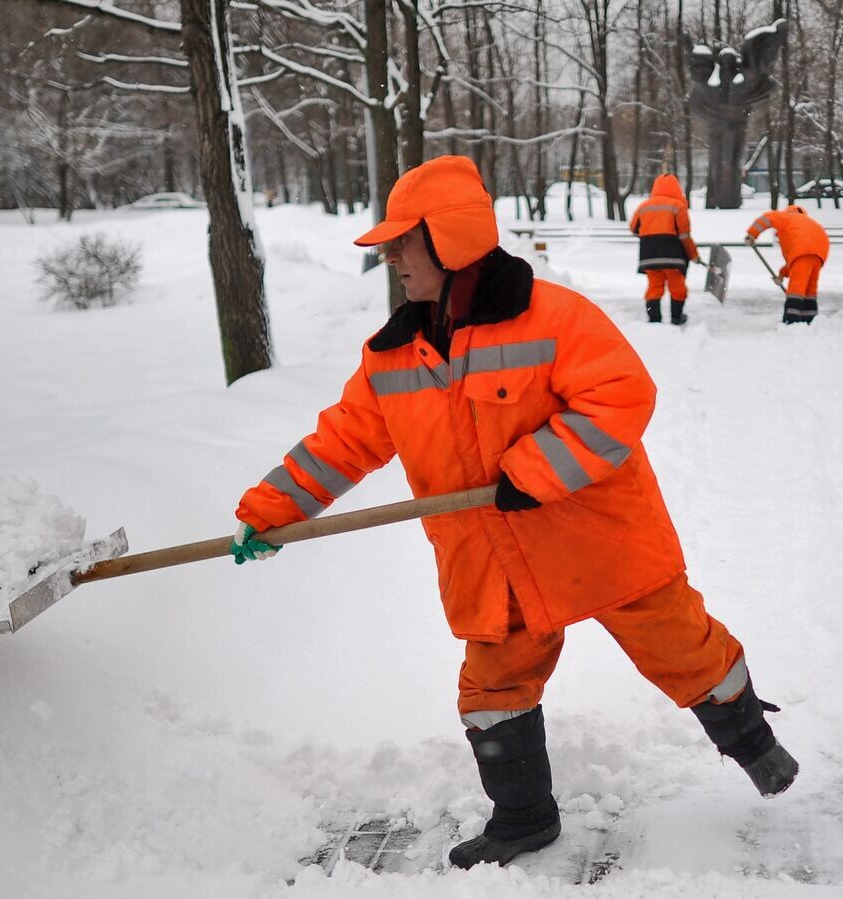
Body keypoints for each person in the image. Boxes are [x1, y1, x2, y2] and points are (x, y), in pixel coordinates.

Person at [230, 156, 798, 870]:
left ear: (451, 238)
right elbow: (341, 441)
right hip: (494, 564)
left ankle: (755, 747)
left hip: (599, 540)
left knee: (683, 647)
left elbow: (622, 395)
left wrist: (535, 469)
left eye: (406, 239)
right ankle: (523, 816)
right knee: (492, 688)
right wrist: (270, 510)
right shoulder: (392, 357)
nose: (391, 255)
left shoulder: (553, 319)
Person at [629, 174, 700, 325]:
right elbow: (684, 236)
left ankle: (654, 319)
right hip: (672, 256)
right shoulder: (678, 206)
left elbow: (634, 229)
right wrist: (693, 255)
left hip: (649, 255)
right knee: (677, 287)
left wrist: (650, 234)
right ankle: (676, 317)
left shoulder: (643, 206)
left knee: (654, 287)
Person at [745, 205, 830, 324]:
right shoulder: (808, 223)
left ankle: (791, 320)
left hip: (803, 251)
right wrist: (781, 275)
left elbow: (767, 218)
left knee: (797, 288)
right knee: (809, 290)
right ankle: (809, 320)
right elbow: (796, 265)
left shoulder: (787, 217)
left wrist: (752, 234)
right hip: (819, 254)